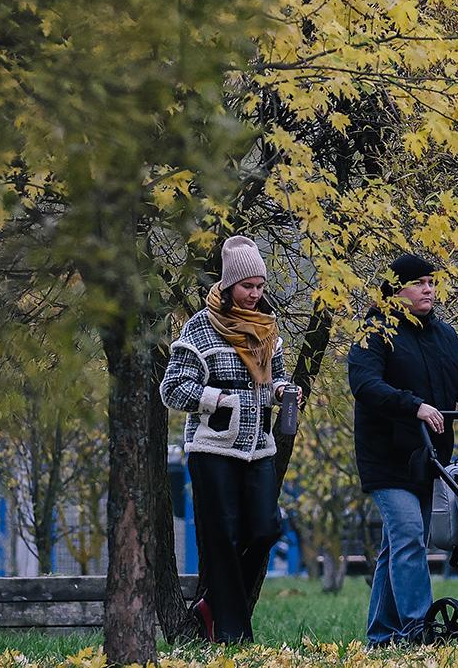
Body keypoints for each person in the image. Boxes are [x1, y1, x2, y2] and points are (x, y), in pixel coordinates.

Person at [347, 253, 458, 647]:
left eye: (431, 282)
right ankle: (419, 630)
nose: (429, 289)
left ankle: (380, 636)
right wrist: (414, 405)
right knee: (410, 535)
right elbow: (364, 384)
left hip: (429, 458)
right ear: (397, 291)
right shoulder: (375, 332)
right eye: (420, 283)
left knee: (398, 545)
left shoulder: (443, 335)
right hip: (386, 457)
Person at [160, 235, 299, 643]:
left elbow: (278, 378)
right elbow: (172, 389)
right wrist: (221, 400)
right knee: (222, 536)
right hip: (213, 447)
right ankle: (234, 636)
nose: (255, 294)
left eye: (260, 286)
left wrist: (282, 391)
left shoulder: (268, 329)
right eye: (247, 286)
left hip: (259, 448)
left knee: (266, 529)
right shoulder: (200, 328)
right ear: (228, 285)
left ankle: (212, 606)